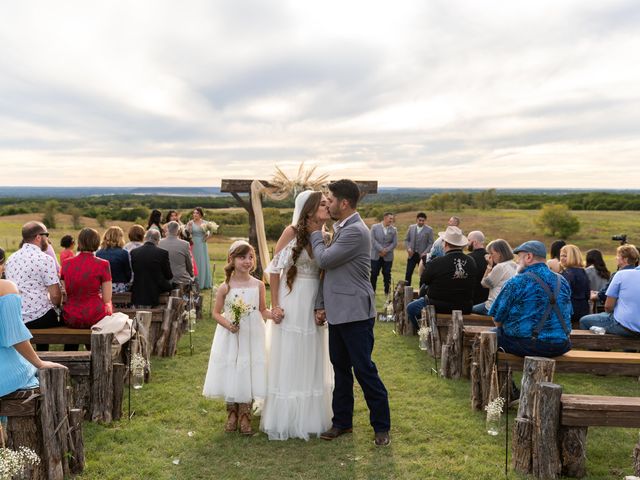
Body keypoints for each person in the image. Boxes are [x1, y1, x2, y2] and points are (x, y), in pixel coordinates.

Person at [310, 179, 391, 447]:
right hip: (338, 312)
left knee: (364, 370)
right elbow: (329, 274)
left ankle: (381, 427)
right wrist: (321, 303)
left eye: (330, 200)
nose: (328, 204)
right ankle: (342, 422)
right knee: (340, 370)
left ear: (344, 203)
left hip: (356, 313)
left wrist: (314, 233)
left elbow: (324, 260)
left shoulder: (355, 231)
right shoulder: (342, 227)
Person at [260, 191, 333, 441]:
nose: (327, 206)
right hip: (292, 296)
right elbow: (274, 269)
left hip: (314, 299)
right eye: (323, 204)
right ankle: (285, 415)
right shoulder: (291, 232)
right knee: (290, 351)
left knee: (312, 350)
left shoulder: (326, 236)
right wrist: (275, 305)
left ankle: (311, 415)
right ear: (310, 209)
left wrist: (322, 305)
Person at [202, 241, 273, 436]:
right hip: (231, 334)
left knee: (248, 370)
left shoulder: (258, 284)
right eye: (242, 257)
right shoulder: (226, 286)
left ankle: (245, 416)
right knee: (234, 370)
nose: (247, 261)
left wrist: (273, 315)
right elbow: (216, 313)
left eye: (251, 257)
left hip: (252, 334)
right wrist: (229, 325)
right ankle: (232, 413)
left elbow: (262, 309)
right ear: (231, 260)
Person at [489, 241, 572, 357]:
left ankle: (491, 374)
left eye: (519, 257)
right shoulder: (562, 281)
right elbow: (568, 313)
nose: (517, 261)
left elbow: (497, 320)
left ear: (529, 257)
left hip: (528, 345)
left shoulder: (517, 281)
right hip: (561, 345)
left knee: (489, 335)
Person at [0, 273, 66, 398]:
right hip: (5, 370)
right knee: (30, 371)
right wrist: (39, 363)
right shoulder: (6, 288)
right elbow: (15, 335)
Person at [5, 222, 62, 351]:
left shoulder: (11, 259)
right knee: (64, 318)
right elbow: (55, 296)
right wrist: (58, 306)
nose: (47, 238)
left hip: (16, 317)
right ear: (38, 237)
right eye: (46, 235)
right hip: (38, 318)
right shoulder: (45, 259)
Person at [406, 226, 477, 330]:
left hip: (438, 305)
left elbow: (424, 280)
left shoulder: (437, 262)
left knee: (411, 308)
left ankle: (422, 331)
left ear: (446, 244)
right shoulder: (471, 261)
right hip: (465, 306)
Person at [61, 228, 112, 349]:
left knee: (71, 342)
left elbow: (65, 293)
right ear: (97, 243)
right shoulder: (103, 264)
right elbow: (107, 298)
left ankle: (70, 357)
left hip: (71, 316)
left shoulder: (66, 263)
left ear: (79, 243)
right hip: (95, 315)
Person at [579, 263, 640, 337]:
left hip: (625, 326)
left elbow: (608, 306)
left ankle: (599, 348)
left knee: (584, 321)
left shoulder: (621, 274)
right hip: (630, 326)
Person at [471, 239, 517, 315]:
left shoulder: (500, 267)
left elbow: (484, 284)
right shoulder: (514, 265)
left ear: (499, 253)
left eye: (491, 253)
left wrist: (489, 266)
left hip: (493, 306)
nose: (490, 256)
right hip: (507, 305)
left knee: (469, 310)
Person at [130, 230, 173, 308]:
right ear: (158, 240)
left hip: (138, 289)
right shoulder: (162, 253)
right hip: (156, 289)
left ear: (145, 238)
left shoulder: (134, 252)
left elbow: (134, 270)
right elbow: (169, 275)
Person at [559, 244, 590, 327]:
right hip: (583, 309)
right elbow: (588, 294)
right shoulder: (583, 272)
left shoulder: (567, 274)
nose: (561, 258)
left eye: (565, 256)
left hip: (570, 312)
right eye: (561, 256)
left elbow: (562, 296)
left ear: (572, 257)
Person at [96, 226, 132, 293]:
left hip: (103, 288)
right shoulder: (124, 253)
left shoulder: (98, 253)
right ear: (120, 238)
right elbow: (128, 275)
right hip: (120, 288)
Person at [370, 212, 397, 296]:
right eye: (390, 218)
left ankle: (387, 293)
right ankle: (372, 292)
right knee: (374, 274)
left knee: (387, 274)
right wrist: (381, 249)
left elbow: (394, 243)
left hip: (388, 256)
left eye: (392, 219)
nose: (391, 220)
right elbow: (373, 240)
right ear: (385, 218)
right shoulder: (374, 227)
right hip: (375, 255)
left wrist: (386, 250)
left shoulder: (394, 230)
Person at [159, 221, 194, 286]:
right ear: (178, 231)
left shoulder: (159, 242)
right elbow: (189, 263)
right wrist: (191, 274)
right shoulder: (185, 244)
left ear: (167, 230)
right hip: (181, 279)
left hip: (163, 278)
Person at [403, 212, 433, 285]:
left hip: (422, 256)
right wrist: (408, 248)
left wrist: (425, 252)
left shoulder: (429, 230)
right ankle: (407, 291)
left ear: (425, 220)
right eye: (420, 220)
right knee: (408, 273)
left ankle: (422, 291)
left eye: (423, 220)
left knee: (423, 275)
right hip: (412, 255)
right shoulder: (411, 227)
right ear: (416, 220)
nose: (421, 222)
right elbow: (406, 240)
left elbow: (431, 243)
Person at [186, 207, 212, 289]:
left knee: (202, 261)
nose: (195, 214)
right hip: (193, 243)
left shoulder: (205, 223)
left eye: (197, 213)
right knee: (193, 261)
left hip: (202, 244)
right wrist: (189, 227)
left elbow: (211, 231)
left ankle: (202, 282)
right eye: (194, 213)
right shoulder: (190, 223)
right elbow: (187, 234)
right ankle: (193, 282)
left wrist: (207, 237)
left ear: (200, 214)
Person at [467, 230, 489, 307]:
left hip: (473, 299)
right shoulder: (491, 257)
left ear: (475, 242)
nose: (467, 243)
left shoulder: (469, 258)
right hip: (487, 298)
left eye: (469, 240)